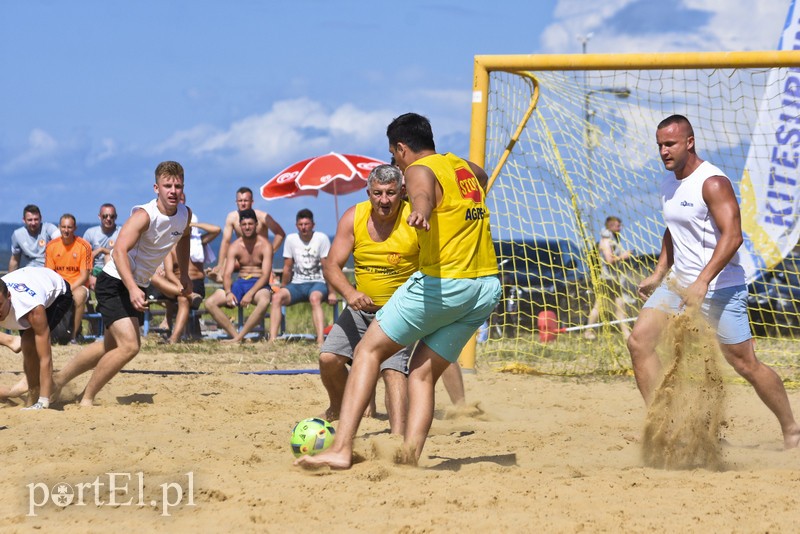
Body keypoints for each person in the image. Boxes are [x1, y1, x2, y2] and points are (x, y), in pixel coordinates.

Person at [295, 112, 501, 469]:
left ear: (401, 148)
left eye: (395, 156)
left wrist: (421, 210)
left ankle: (341, 448)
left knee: (367, 350)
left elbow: (419, 192)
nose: (396, 163)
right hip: (485, 287)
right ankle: (408, 457)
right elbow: (481, 177)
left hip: (446, 281)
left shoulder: (418, 171)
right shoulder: (462, 168)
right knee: (421, 371)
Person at [627, 114, 800, 449]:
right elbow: (673, 229)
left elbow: (733, 236)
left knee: (745, 364)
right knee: (639, 342)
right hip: (679, 284)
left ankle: (792, 430)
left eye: (670, 144)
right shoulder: (669, 183)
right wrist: (660, 271)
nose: (664, 151)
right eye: (660, 145)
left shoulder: (713, 182)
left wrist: (704, 280)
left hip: (720, 287)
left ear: (689, 142)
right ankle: (664, 426)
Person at [53, 161, 192, 407]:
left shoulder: (185, 214)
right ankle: (86, 399)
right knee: (129, 346)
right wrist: (133, 288)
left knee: (109, 345)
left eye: (177, 185)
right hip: (114, 281)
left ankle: (58, 381)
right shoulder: (144, 216)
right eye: (167, 185)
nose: (172, 190)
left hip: (134, 284)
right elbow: (118, 252)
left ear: (183, 187)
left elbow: (183, 238)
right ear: (156, 188)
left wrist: (184, 275)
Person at [319, 164, 418, 433]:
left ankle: (398, 436)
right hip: (360, 310)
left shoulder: (415, 220)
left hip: (398, 312)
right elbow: (330, 265)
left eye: (390, 193)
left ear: (403, 192)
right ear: (368, 192)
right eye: (377, 193)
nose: (384, 200)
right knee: (328, 359)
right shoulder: (354, 217)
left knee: (392, 371)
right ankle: (339, 405)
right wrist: (350, 293)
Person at [0, 267, 73, 409]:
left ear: (8, 296)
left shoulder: (31, 309)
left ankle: (36, 395)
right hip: (30, 280)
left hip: (57, 294)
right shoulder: (8, 304)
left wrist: (43, 402)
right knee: (28, 345)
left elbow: (45, 357)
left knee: (30, 343)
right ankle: (12, 341)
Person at [204, 209, 273, 343]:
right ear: (240, 226)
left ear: (256, 224)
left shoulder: (265, 245)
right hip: (240, 283)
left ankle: (239, 338)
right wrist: (229, 292)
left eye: (250, 224)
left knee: (264, 301)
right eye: (244, 224)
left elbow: (265, 275)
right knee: (210, 303)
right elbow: (228, 274)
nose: (247, 227)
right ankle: (237, 336)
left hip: (259, 284)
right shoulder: (235, 246)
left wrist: (250, 294)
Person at [269, 209, 337, 345]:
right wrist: (283, 287)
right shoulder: (291, 239)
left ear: (313, 224)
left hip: (318, 282)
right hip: (297, 283)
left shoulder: (321, 238)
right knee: (277, 297)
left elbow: (327, 267)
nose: (303, 227)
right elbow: (287, 267)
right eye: (301, 224)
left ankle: (320, 339)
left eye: (306, 224)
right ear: (296, 226)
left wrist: (331, 292)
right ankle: (272, 339)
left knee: (314, 298)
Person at [208, 186, 285, 282]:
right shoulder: (232, 217)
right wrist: (220, 264)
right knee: (226, 263)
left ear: (252, 202)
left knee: (266, 286)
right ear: (236, 202)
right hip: (243, 256)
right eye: (240, 201)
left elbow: (280, 234)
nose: (243, 204)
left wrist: (269, 253)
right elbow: (226, 241)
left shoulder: (262, 216)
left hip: (260, 257)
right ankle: (220, 277)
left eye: (246, 201)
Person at [45, 214, 93, 344]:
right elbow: (49, 273)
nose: (66, 230)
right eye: (63, 227)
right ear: (59, 227)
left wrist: (68, 290)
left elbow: (84, 276)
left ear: (75, 228)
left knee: (79, 296)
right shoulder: (51, 246)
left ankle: (74, 335)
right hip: (58, 285)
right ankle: (49, 333)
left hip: (77, 285)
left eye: (69, 227)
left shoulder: (84, 246)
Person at [584, 216, 633, 341]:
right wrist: (624, 256)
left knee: (620, 306)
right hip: (607, 279)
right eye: (617, 225)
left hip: (614, 278)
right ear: (610, 226)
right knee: (599, 305)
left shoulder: (613, 239)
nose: (620, 228)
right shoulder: (606, 241)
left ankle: (626, 334)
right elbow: (609, 260)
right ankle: (588, 331)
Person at [9, 205, 59, 272]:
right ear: (24, 220)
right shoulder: (17, 235)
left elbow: (62, 244)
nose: (33, 223)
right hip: (30, 270)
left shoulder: (49, 229)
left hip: (49, 269)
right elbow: (15, 260)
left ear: (41, 218)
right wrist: (9, 280)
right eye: (30, 220)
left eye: (36, 219)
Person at [83, 203, 121, 291]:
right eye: (105, 216)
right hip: (95, 269)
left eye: (111, 216)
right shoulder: (90, 233)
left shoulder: (121, 232)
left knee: (108, 257)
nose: (108, 219)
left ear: (116, 217)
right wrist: (89, 274)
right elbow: (84, 256)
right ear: (99, 217)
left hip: (115, 270)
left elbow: (124, 253)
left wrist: (101, 250)